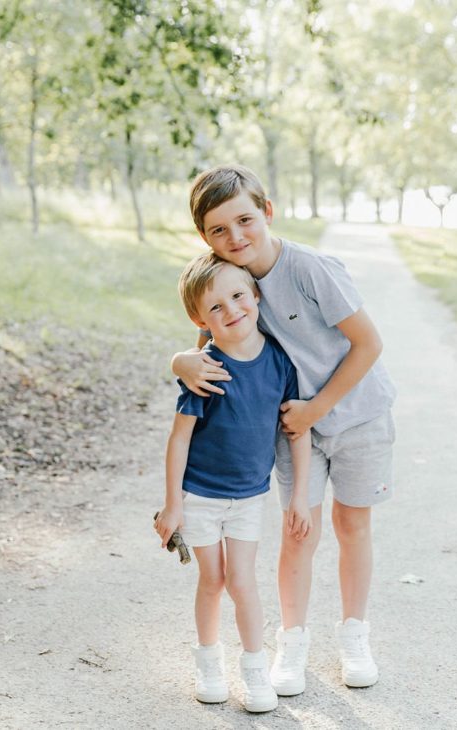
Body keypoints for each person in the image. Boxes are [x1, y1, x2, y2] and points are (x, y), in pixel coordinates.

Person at [172, 164, 396, 695]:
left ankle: (353, 636)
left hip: (357, 413)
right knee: (299, 533)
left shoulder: (312, 269)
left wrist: (317, 408)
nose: (235, 237)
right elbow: (207, 341)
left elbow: (369, 344)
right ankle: (291, 643)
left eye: (245, 220)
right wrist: (180, 359)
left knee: (352, 525)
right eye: (218, 230)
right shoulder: (229, 281)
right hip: (294, 429)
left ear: (267, 213)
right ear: (204, 237)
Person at [155, 253, 312, 713]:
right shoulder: (204, 368)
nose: (232, 311)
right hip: (201, 497)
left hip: (249, 499)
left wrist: (299, 496)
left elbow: (295, 430)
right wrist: (173, 505)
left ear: (256, 294)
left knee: (243, 582)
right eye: (216, 307)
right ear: (199, 319)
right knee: (212, 579)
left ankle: (255, 671)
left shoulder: (280, 364)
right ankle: (208, 665)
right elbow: (179, 438)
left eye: (238, 296)